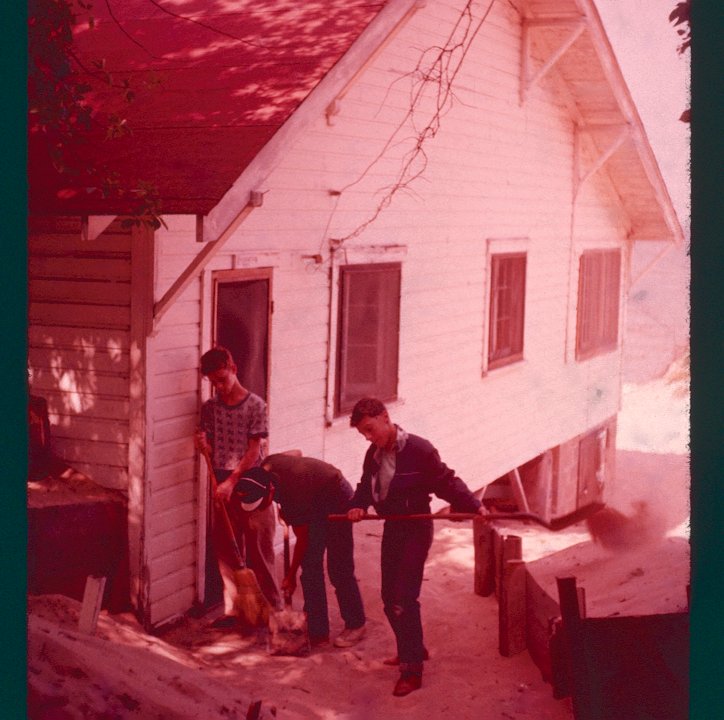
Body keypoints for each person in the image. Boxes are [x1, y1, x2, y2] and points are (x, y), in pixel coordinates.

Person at [346, 397, 487, 697]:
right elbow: (364, 488)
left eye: (371, 430)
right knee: (387, 598)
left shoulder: (420, 450)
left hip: (416, 528)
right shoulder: (373, 454)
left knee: (404, 599)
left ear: (385, 417)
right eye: (364, 434)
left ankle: (411, 670)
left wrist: (475, 506)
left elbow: (447, 482)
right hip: (393, 526)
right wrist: (357, 506)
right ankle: (413, 647)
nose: (369, 438)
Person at [234, 453, 366, 648]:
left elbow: (302, 540)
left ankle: (356, 624)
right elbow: (295, 454)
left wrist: (291, 575)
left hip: (337, 496)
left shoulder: (295, 496)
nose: (260, 508)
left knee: (339, 567)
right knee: (311, 569)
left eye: (261, 503)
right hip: (312, 498)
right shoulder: (267, 466)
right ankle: (317, 630)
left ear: (270, 490)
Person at [195, 346, 281, 628]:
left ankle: (273, 611)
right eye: (213, 382)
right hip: (221, 483)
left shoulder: (256, 405)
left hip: (251, 484)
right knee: (227, 548)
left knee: (259, 547)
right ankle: (235, 610)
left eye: (222, 379)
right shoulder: (210, 408)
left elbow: (254, 451)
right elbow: (206, 441)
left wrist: (232, 482)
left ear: (233, 369)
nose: (219, 387)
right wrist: (203, 446)